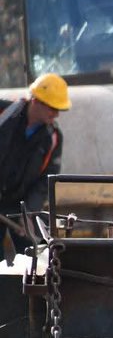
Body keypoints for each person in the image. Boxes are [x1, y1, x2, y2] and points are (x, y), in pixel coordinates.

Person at [0, 73, 69, 263]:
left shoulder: (53, 139)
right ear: (36, 101)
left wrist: (29, 213)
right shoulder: (4, 113)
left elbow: (45, 181)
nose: (56, 114)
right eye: (52, 108)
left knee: (33, 259)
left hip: (19, 205)